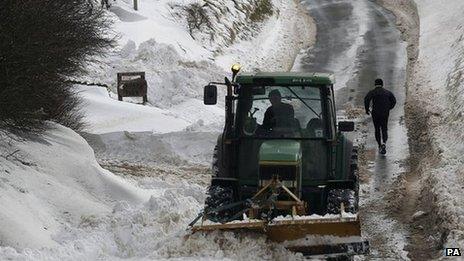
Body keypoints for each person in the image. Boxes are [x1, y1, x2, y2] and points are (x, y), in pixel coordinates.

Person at [364, 78, 396, 154]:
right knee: (384, 128)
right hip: (385, 113)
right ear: (382, 84)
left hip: (375, 113)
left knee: (377, 129)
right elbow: (394, 101)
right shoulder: (388, 92)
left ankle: (379, 145)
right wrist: (389, 108)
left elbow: (366, 99)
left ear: (375, 84)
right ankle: (384, 142)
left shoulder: (373, 92)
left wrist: (367, 109)